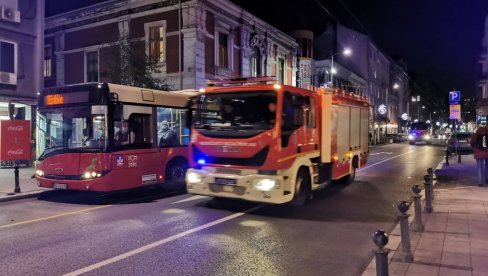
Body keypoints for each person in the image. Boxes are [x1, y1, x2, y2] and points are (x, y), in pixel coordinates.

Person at [470, 120, 488, 186]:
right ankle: (487, 179)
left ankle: (480, 182)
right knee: (487, 165)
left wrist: (473, 147)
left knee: (479, 167)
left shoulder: (477, 132)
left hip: (478, 151)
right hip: (487, 151)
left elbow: (472, 142)